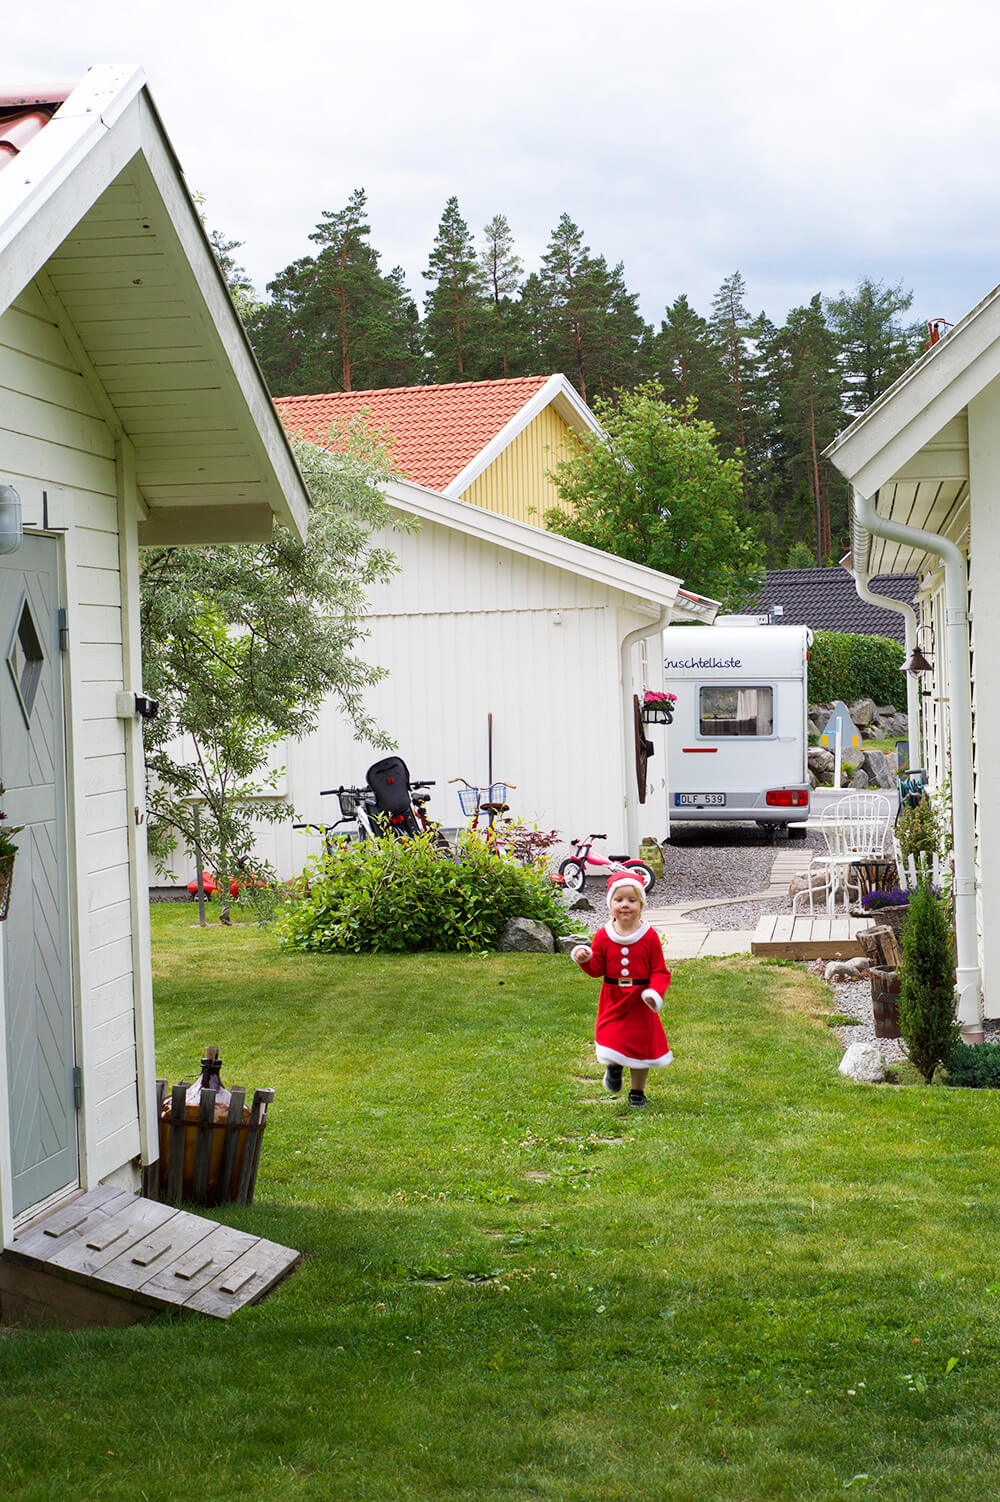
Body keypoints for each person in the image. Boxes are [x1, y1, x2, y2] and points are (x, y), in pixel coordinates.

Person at [570, 873, 672, 1108]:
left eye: (632, 900)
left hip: (640, 1001)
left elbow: (659, 971)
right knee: (612, 1037)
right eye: (619, 900)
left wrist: (654, 993)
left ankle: (637, 1092)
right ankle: (614, 1066)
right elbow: (597, 969)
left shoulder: (649, 936)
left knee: (640, 1046)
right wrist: (584, 959)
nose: (625, 905)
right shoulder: (603, 936)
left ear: (641, 905)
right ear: (610, 905)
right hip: (613, 998)